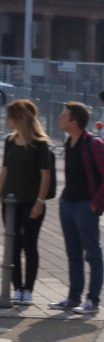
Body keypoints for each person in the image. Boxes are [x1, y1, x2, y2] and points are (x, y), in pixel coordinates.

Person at [49, 102, 104, 315]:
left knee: (93, 254)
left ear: (74, 122)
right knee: (73, 254)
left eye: (64, 115)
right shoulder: (69, 142)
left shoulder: (94, 144)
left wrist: (94, 203)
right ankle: (73, 297)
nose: (60, 117)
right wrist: (62, 198)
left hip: (85, 207)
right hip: (68, 205)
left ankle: (92, 300)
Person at [0, 99, 54, 305]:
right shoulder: (9, 141)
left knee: (29, 246)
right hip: (10, 203)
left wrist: (39, 201)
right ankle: (17, 288)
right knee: (13, 246)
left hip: (32, 202)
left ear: (20, 118)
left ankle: (28, 289)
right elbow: (4, 170)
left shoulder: (40, 144)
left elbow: (46, 176)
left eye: (10, 116)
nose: (6, 120)